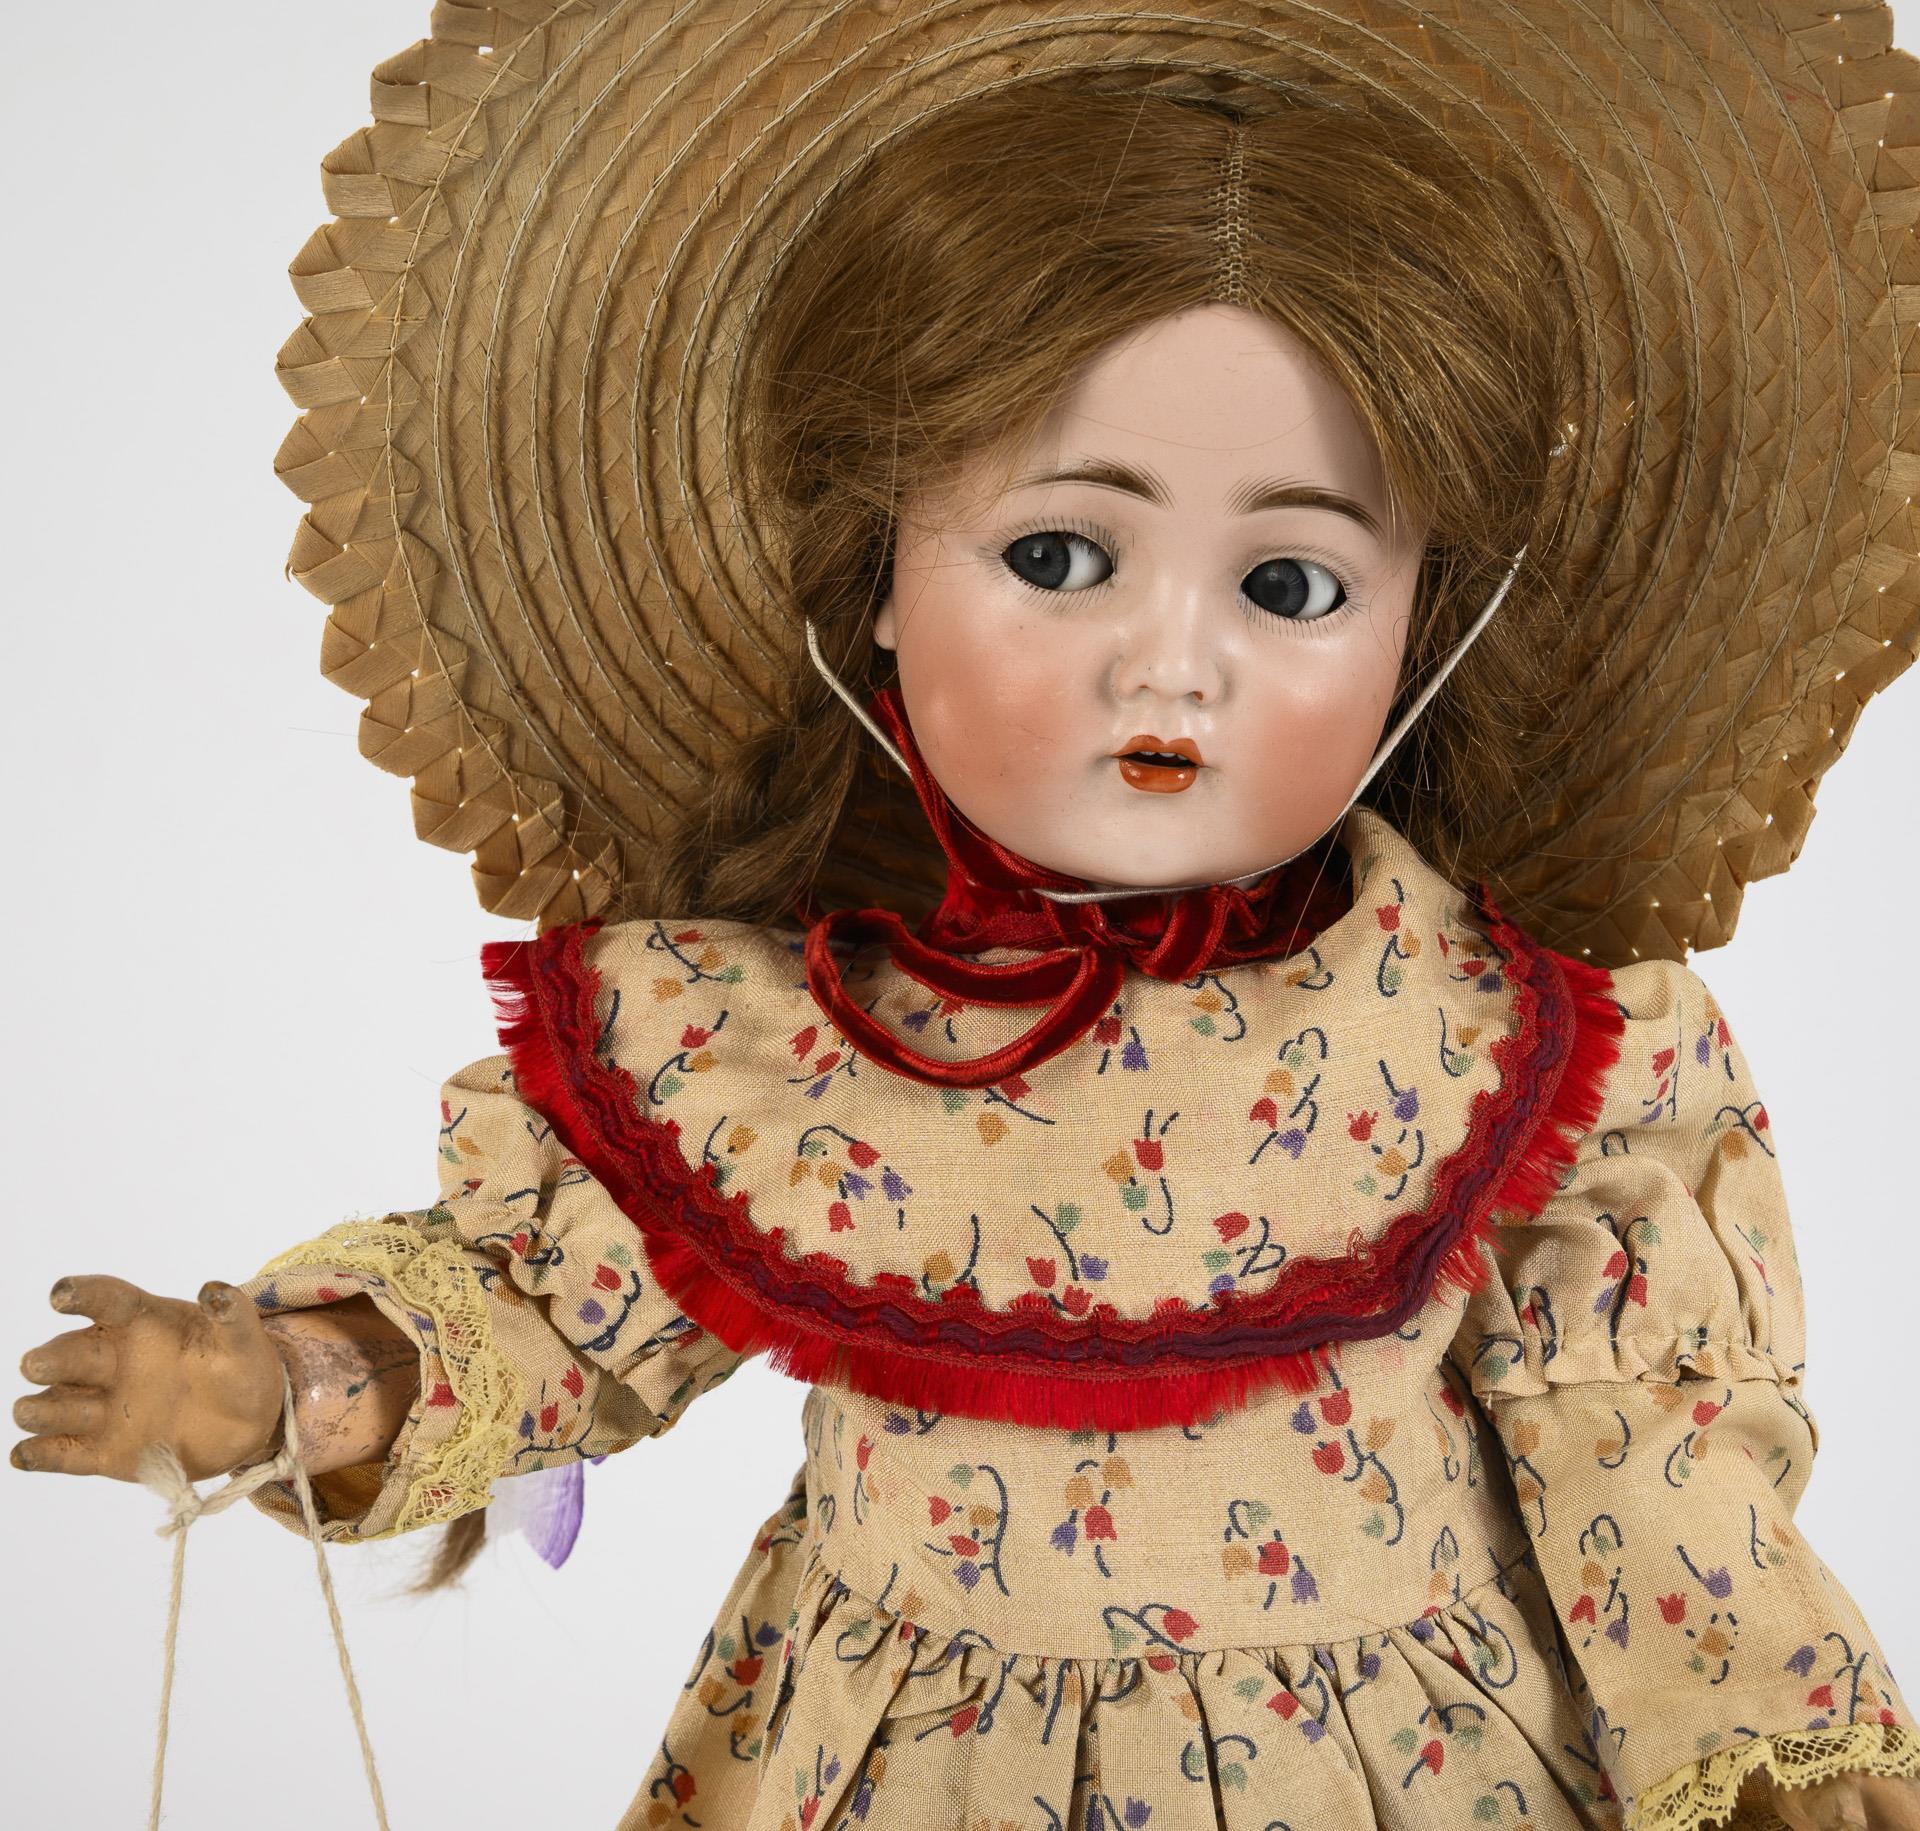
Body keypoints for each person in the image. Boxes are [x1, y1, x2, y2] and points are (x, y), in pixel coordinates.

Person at [14, 6, 1920, 1826]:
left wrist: (1781, 1739)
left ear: (1432, 621)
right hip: (902, 1768)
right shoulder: (767, 1050)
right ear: (871, 574)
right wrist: (287, 1381)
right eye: (1060, 553)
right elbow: (546, 1313)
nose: (1170, 663)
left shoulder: (1507, 1050)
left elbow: (1636, 1436)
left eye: (1291, 583)